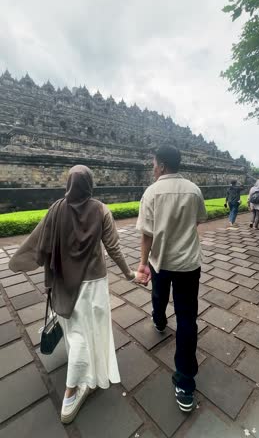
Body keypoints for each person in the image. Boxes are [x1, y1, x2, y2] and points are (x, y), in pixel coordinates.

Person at [9, 165, 147, 424]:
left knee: (75, 333)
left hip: (63, 282)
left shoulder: (56, 209)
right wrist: (130, 275)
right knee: (88, 334)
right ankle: (72, 392)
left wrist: (20, 262)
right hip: (93, 285)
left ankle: (84, 377)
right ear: (90, 184)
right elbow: (114, 248)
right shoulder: (101, 209)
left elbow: (40, 245)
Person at [136, 145, 207, 413]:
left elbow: (146, 234)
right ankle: (186, 383)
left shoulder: (151, 192)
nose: (152, 167)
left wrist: (143, 264)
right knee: (188, 318)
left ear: (162, 165)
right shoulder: (194, 189)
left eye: (153, 163)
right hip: (189, 263)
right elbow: (198, 220)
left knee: (159, 296)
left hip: (161, 262)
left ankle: (159, 319)